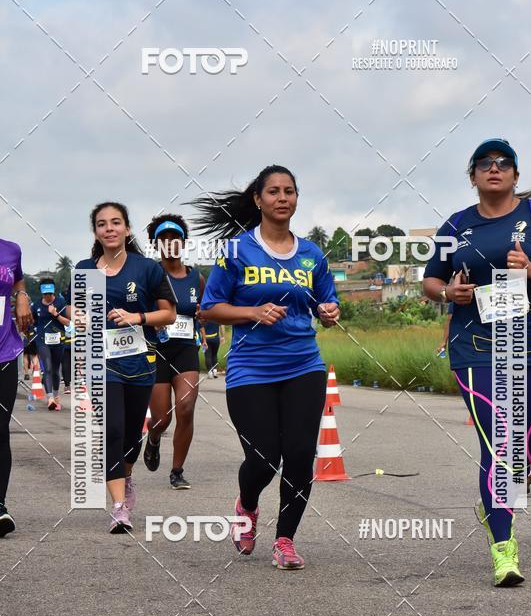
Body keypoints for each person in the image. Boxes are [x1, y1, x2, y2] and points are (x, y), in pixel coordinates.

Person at [423, 138, 531, 587]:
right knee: (498, 444)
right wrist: (447, 293)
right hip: (473, 345)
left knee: (520, 450)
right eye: (484, 164)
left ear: (515, 174)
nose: (494, 169)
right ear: (472, 176)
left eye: (504, 163)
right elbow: (429, 282)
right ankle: (504, 547)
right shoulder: (455, 225)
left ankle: (496, 504)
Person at [194, 164, 340, 570]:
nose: (282, 198)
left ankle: (286, 540)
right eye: (273, 191)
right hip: (251, 369)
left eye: (289, 191)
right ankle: (248, 505)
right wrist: (252, 311)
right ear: (258, 199)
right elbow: (209, 309)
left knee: (298, 454)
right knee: (263, 459)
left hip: (303, 365)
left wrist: (330, 311)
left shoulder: (312, 255)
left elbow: (327, 301)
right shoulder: (237, 251)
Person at [67, 202, 176, 533]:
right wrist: (79, 315)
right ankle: (118, 507)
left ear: (127, 230)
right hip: (101, 364)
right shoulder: (85, 268)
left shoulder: (146, 269)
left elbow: (169, 314)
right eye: (102, 224)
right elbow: (70, 305)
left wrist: (136, 317)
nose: (109, 228)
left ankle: (126, 478)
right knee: (111, 431)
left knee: (131, 434)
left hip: (140, 364)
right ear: (96, 232)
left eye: (116, 223)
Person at [142, 215, 204, 490]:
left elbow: (206, 308)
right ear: (156, 245)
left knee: (186, 408)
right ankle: (153, 438)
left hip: (185, 349)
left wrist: (204, 313)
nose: (170, 244)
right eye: (163, 240)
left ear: (183, 243)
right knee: (162, 418)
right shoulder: (150, 276)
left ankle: (177, 470)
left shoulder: (196, 277)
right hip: (156, 350)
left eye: (175, 239)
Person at [0, 238, 33, 535]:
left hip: (4, 354)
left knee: (0, 429)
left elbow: (18, 278)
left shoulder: (10, 250)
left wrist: (21, 294)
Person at [32, 278, 70, 410]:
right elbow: (32, 322)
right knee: (47, 368)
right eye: (45, 294)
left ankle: (56, 396)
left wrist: (56, 314)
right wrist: (31, 332)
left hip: (59, 340)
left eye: (50, 293)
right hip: (43, 341)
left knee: (55, 370)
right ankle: (50, 399)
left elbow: (67, 322)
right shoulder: (36, 305)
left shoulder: (61, 302)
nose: (48, 296)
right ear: (42, 293)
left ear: (54, 291)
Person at [61, 320, 74, 393]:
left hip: (64, 342)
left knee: (65, 363)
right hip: (75, 341)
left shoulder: (61, 312)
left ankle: (67, 386)